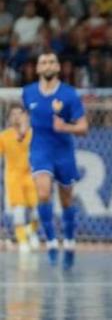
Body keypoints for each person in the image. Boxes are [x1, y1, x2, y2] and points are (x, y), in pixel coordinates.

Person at [22, 52, 88, 269]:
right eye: (43, 62)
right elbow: (26, 116)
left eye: (51, 61)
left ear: (58, 67)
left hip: (64, 152)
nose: (47, 65)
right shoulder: (28, 92)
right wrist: (23, 128)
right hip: (40, 150)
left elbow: (83, 127)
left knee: (67, 200)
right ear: (38, 68)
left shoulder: (69, 95)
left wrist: (65, 127)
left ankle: (69, 242)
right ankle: (51, 242)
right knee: (42, 193)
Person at [0, 104, 40, 254]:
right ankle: (22, 240)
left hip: (32, 175)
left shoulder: (33, 134)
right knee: (19, 210)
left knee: (39, 210)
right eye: (13, 114)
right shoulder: (4, 136)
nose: (16, 117)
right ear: (9, 118)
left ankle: (31, 230)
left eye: (19, 114)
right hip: (13, 177)